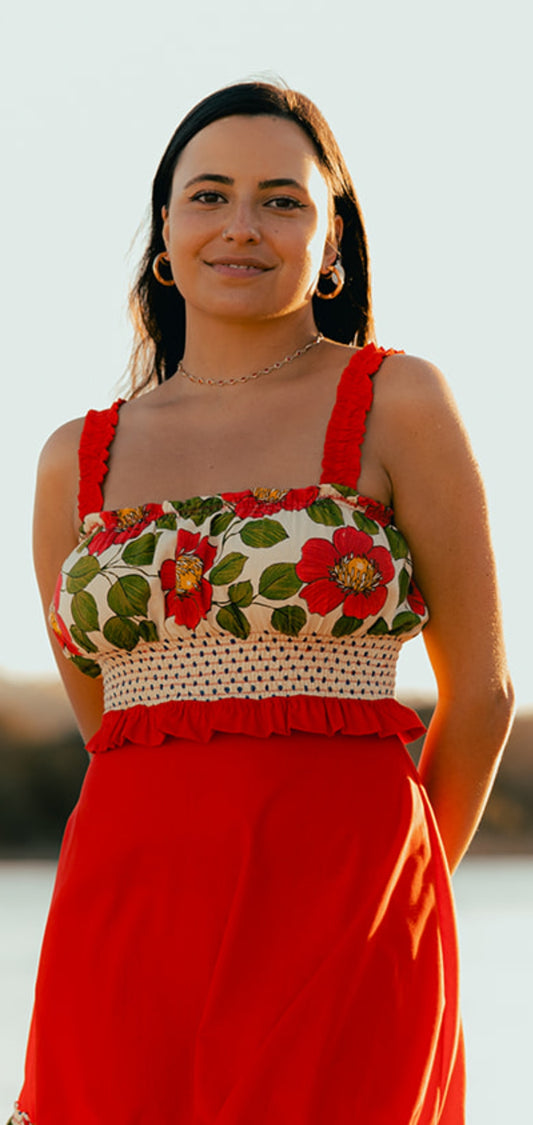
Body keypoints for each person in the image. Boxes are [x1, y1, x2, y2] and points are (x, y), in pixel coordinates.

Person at [13, 81, 514, 1124]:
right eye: (210, 195)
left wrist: (396, 897)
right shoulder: (75, 460)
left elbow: (480, 697)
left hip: (348, 912)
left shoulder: (398, 401)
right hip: (125, 921)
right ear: (164, 229)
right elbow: (111, 725)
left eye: (282, 200)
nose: (242, 225)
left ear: (329, 240)